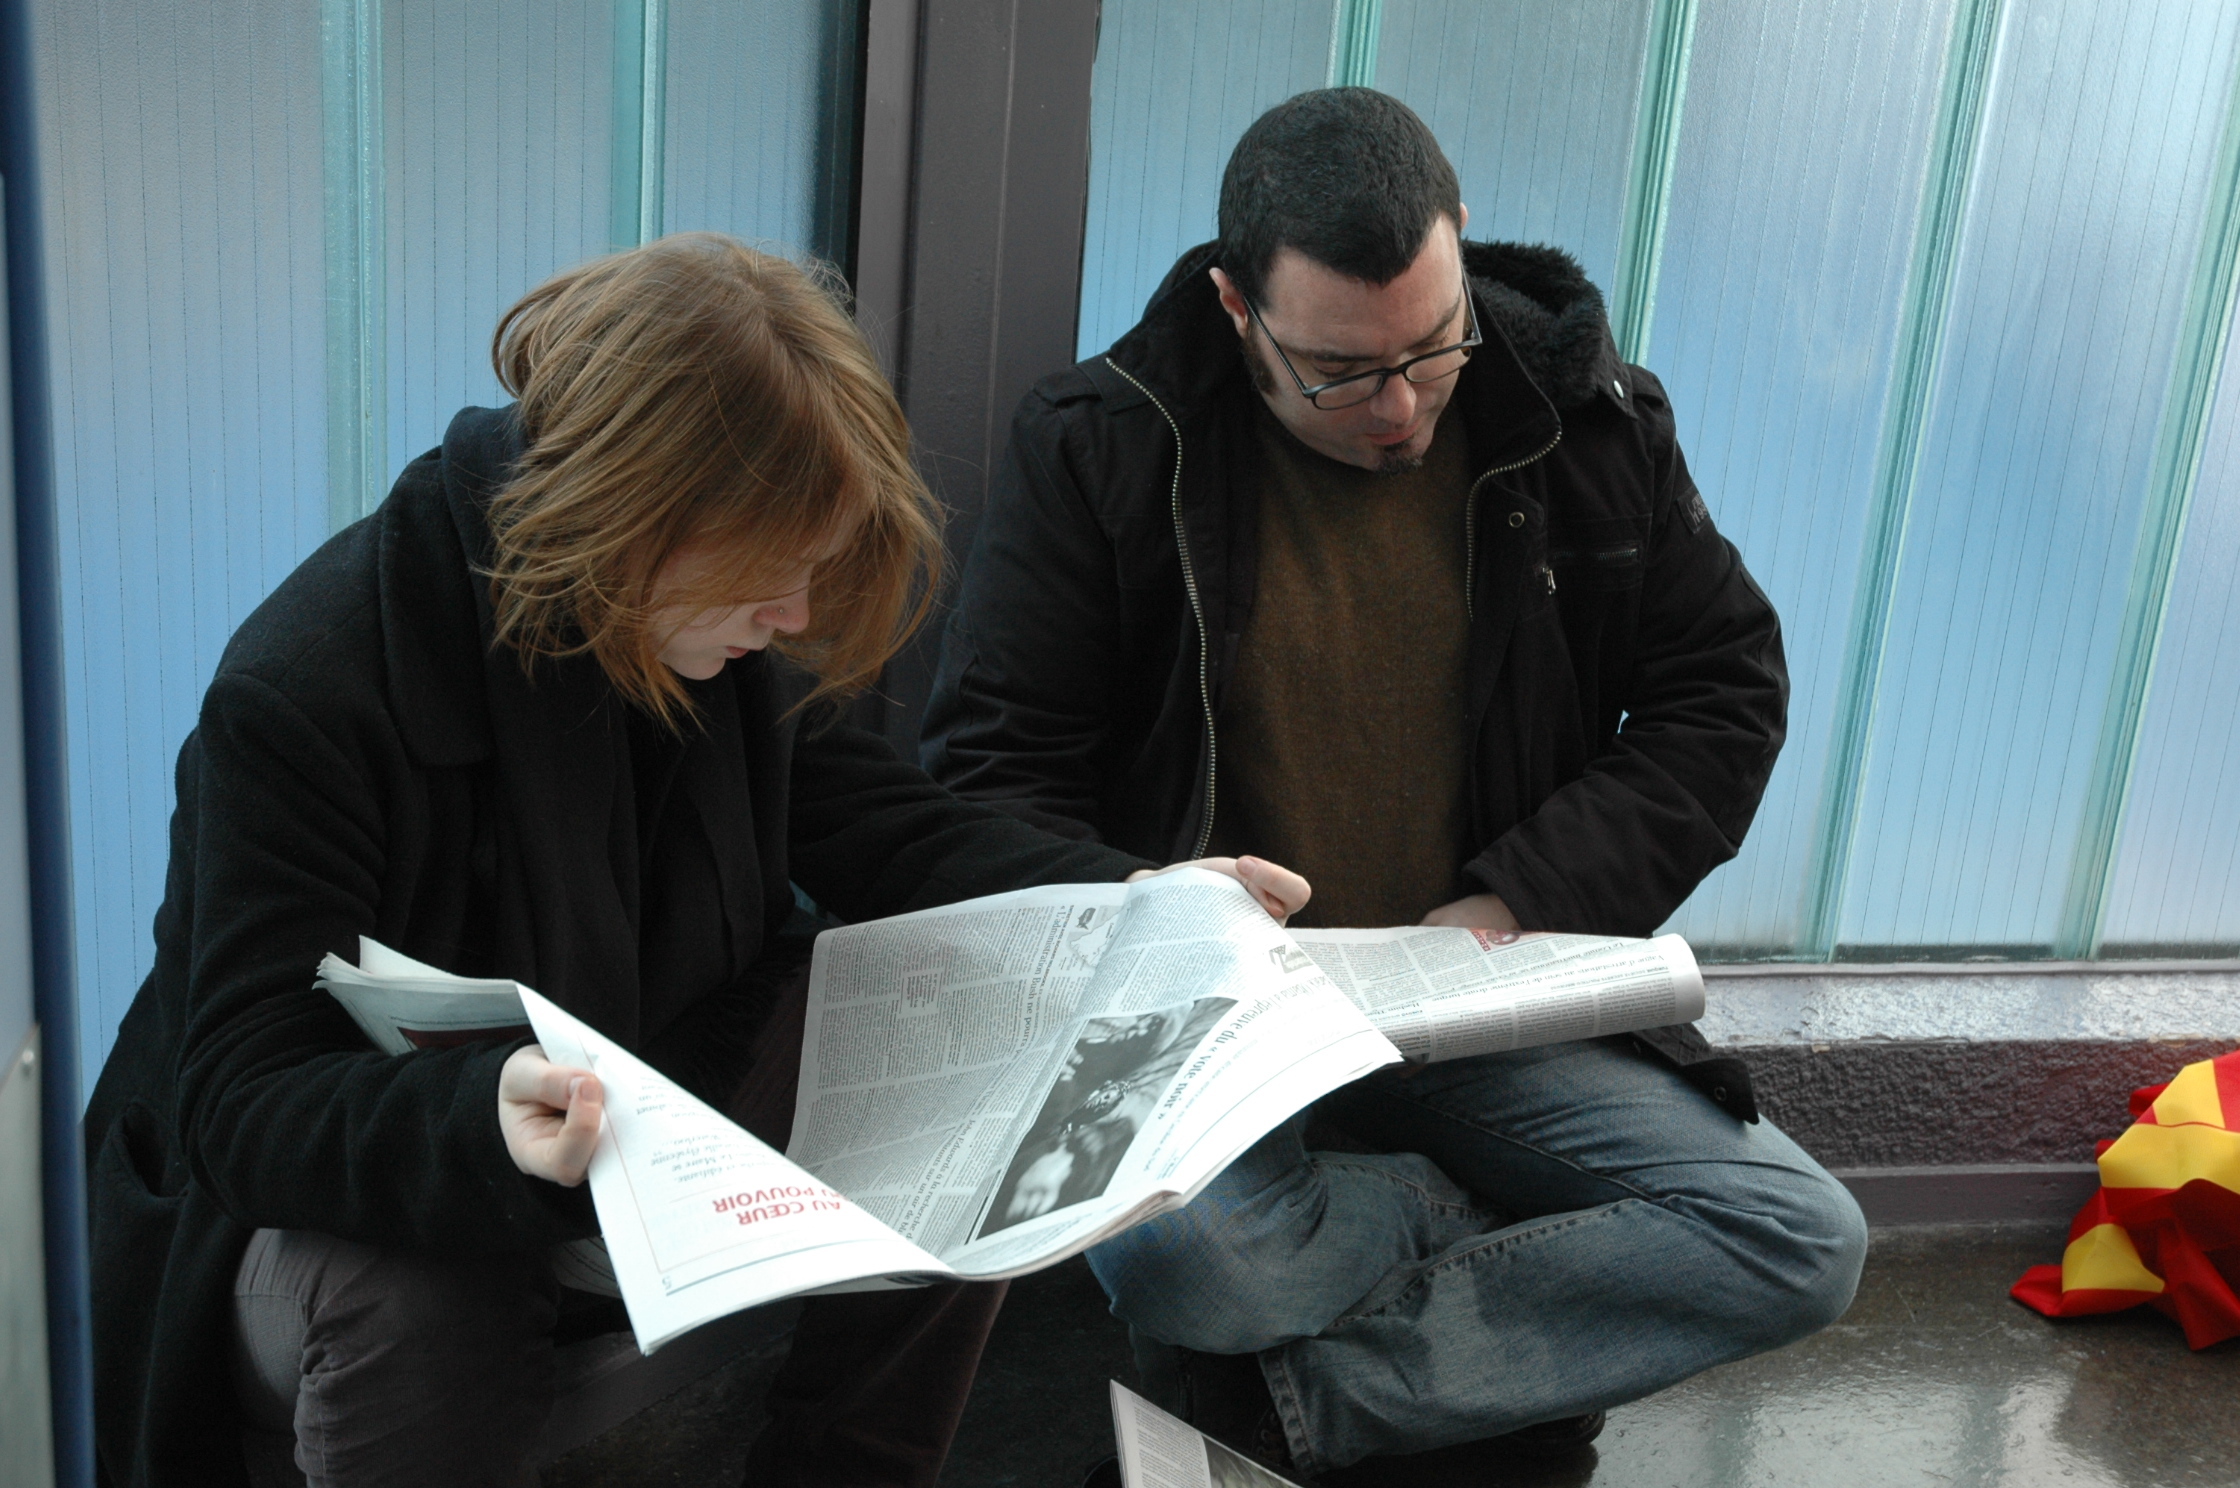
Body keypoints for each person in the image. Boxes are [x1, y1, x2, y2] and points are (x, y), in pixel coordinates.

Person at [80, 233, 1311, 1488]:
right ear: (633, 516)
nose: (793, 616)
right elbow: (239, 1100)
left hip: (639, 1091)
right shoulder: (310, 689)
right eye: (768, 576)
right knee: (430, 1282)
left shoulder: (681, 623)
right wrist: (476, 1119)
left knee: (984, 1068)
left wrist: (1133, 899)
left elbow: (886, 825)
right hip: (323, 1202)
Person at [922, 89, 1870, 1480]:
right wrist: (1153, 903)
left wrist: (1512, 902)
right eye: (1340, 372)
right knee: (1192, 1266)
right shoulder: (1102, 446)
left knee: (1799, 1240)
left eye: (1434, 345)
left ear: (1461, 241)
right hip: (1212, 1025)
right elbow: (989, 774)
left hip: (1476, 997)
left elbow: (1723, 697)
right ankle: (1482, 1243)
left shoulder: (1588, 422)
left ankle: (1274, 1414)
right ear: (1236, 305)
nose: (1401, 406)